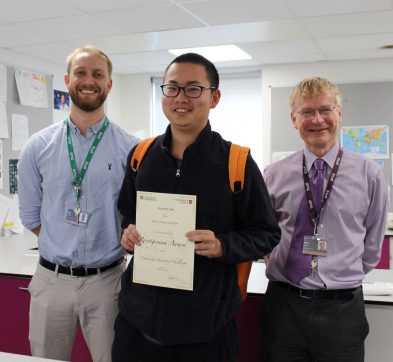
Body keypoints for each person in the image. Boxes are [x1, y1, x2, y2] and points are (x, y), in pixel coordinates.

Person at [112, 53, 281, 362]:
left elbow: (266, 232)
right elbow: (126, 211)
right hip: (137, 323)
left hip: (206, 329)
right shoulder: (141, 155)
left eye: (193, 89)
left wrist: (222, 245)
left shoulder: (237, 162)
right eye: (172, 88)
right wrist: (127, 231)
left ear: (214, 97)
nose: (181, 98)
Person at [18, 45, 139, 362]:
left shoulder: (132, 149)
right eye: (81, 73)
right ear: (67, 80)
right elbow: (30, 214)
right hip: (51, 279)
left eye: (98, 74)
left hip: (108, 282)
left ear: (109, 84)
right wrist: (63, 241)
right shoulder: (38, 146)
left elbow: (137, 213)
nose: (89, 80)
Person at [260, 76, 389, 362]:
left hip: (341, 311)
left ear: (339, 114)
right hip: (284, 307)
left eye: (325, 110)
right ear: (294, 119)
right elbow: (263, 233)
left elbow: (372, 245)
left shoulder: (369, 174)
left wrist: (341, 273)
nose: (317, 119)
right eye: (307, 112)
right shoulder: (273, 174)